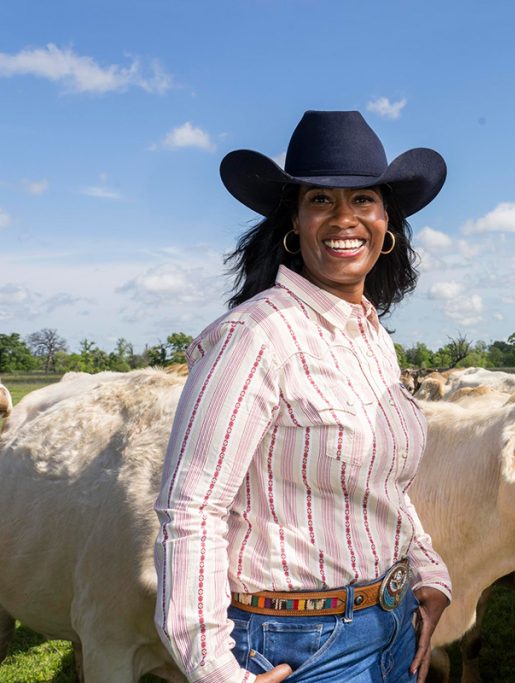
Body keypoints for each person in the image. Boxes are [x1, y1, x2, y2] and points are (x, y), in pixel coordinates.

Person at [154, 110, 451, 683]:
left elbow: (384, 484)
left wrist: (426, 572)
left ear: (387, 221)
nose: (345, 218)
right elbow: (190, 510)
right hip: (297, 645)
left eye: (363, 199)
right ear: (294, 221)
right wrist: (215, 672)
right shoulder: (256, 335)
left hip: (394, 626)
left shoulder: (372, 340)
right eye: (320, 199)